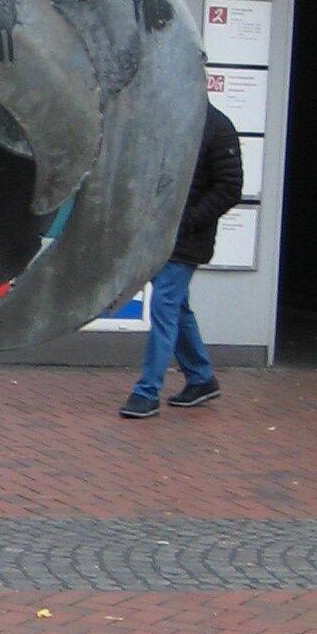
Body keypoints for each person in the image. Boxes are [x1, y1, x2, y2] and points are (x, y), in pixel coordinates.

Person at [120, 99, 243, 419]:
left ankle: (147, 391)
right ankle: (201, 378)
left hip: (188, 239)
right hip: (160, 236)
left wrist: (188, 220)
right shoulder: (168, 118)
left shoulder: (218, 127)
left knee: (164, 306)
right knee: (177, 307)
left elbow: (230, 187)